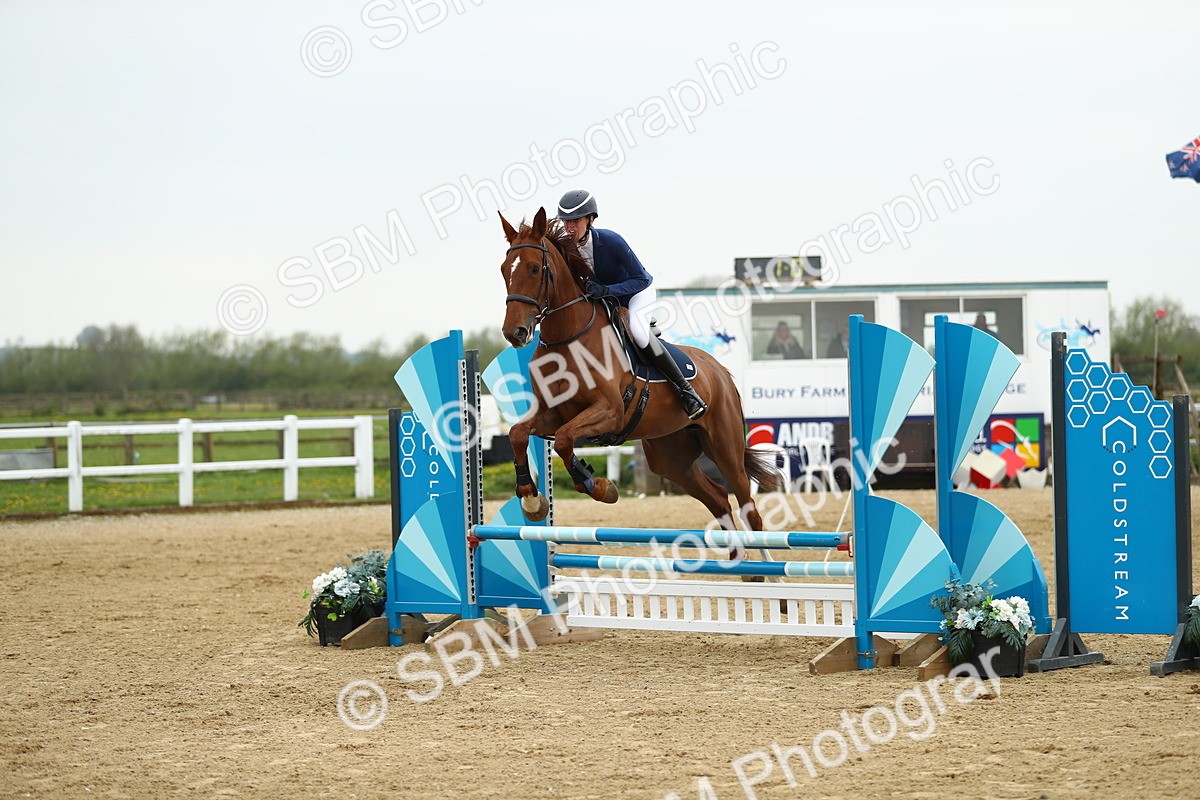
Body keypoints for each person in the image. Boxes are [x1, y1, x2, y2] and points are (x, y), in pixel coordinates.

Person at [557, 189, 707, 420]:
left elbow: (641, 279)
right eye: (566, 222)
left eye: (575, 221)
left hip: (637, 293)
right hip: (605, 299)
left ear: (590, 219)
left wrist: (608, 290)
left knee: (639, 333)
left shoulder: (611, 241)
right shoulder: (566, 249)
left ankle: (686, 391)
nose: (570, 227)